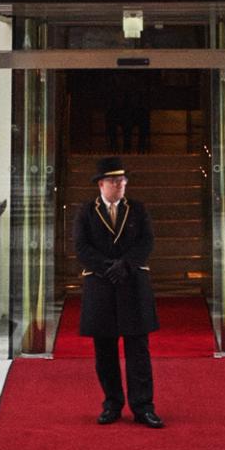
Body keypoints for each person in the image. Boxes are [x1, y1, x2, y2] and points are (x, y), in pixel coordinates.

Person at [75, 161, 162, 428]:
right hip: (101, 287)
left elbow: (146, 241)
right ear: (101, 184)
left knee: (138, 349)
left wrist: (124, 265)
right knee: (105, 351)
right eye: (114, 181)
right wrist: (106, 268)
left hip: (132, 283)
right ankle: (112, 404)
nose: (120, 185)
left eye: (123, 180)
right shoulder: (87, 212)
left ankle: (143, 407)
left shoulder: (137, 209)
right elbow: (81, 247)